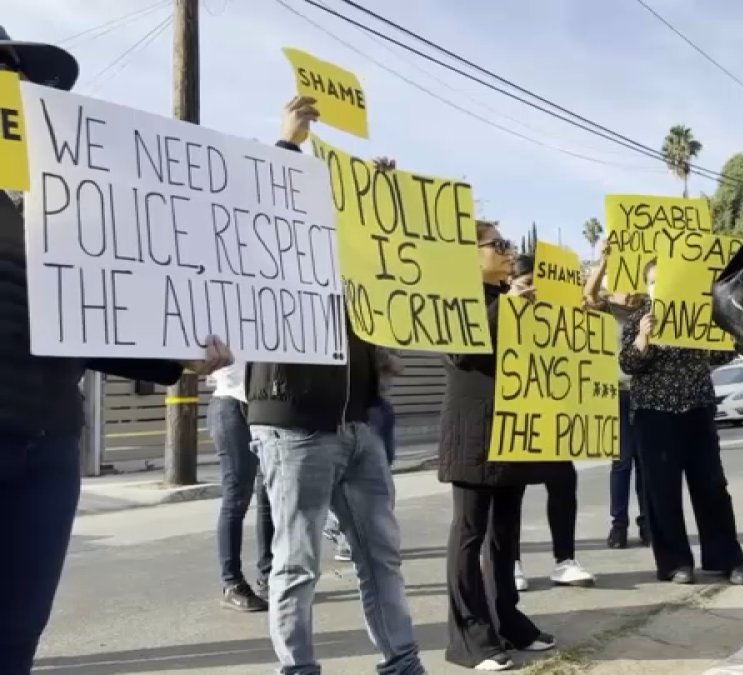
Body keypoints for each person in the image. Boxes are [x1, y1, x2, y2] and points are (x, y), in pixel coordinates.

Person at [0, 29, 233, 675]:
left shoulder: (50, 205)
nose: (13, 86)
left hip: (48, 447)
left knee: (17, 632)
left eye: (15, 74)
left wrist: (173, 359)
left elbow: (79, 319)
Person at [247, 98, 425, 675]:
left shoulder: (353, 261)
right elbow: (261, 214)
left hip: (357, 423)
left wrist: (381, 200)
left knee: (382, 557)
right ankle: (297, 669)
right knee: (297, 562)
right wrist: (289, 144)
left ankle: (402, 662)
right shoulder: (279, 251)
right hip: (294, 423)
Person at [438, 225, 555, 671]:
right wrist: (508, 306)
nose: (508, 253)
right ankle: (470, 637)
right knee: (469, 533)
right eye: (498, 246)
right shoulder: (455, 298)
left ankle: (507, 617)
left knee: (505, 534)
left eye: (509, 246)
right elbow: (460, 352)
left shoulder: (515, 297)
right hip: (472, 430)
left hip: (513, 428)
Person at [619, 260, 743, 587]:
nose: (658, 287)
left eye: (664, 281)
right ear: (646, 287)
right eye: (652, 282)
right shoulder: (638, 319)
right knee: (661, 492)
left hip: (697, 409)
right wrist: (643, 339)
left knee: (712, 487)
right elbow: (628, 363)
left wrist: (722, 330)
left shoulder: (698, 313)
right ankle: (675, 563)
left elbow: (723, 355)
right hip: (654, 415)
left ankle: (727, 559)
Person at [507, 254, 596, 591]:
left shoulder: (557, 318)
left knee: (562, 481)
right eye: (526, 285)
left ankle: (565, 560)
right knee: (509, 493)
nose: (533, 293)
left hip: (549, 413)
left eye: (537, 287)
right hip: (514, 416)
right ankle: (511, 563)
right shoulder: (500, 314)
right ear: (511, 285)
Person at [582, 252, 649, 550]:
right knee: (621, 463)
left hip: (646, 392)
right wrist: (604, 259)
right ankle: (618, 525)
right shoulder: (606, 308)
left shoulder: (647, 306)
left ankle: (648, 523)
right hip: (617, 394)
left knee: (646, 463)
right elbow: (588, 294)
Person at [325, 344, 405, 564]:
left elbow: (399, 363)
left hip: (379, 402)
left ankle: (369, 536)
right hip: (357, 406)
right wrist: (387, 361)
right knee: (365, 478)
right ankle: (344, 533)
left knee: (380, 475)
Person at [207, 359, 273, 611]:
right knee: (237, 496)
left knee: (268, 493)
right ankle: (232, 582)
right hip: (232, 404)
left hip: (266, 407)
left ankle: (269, 575)